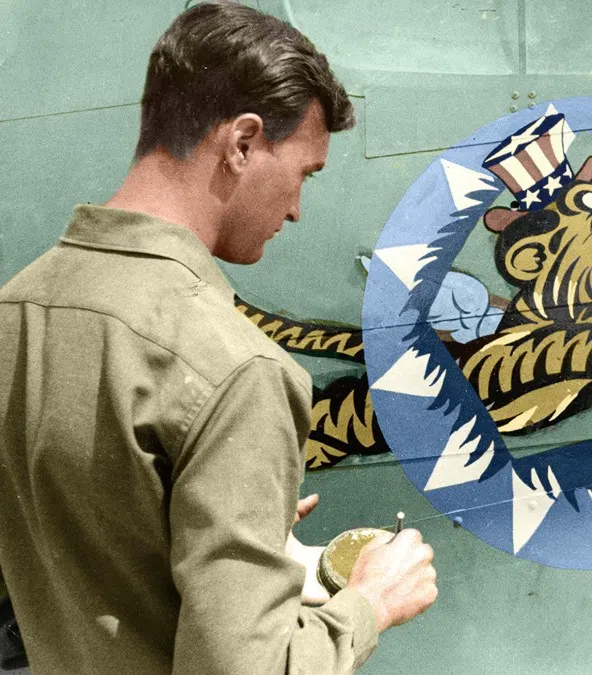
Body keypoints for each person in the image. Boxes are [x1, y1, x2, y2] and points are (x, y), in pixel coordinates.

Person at [0, 2, 437, 673]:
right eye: (304, 172)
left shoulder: (17, 309)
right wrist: (370, 605)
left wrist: (207, 528)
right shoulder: (237, 368)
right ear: (242, 143)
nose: (296, 208)